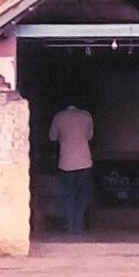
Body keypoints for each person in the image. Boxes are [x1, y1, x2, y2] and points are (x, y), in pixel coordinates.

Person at [49, 99, 97, 234]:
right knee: (82, 195)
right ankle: (79, 224)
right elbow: (89, 135)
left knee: (68, 195)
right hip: (84, 161)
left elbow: (52, 137)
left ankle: (70, 225)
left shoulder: (59, 116)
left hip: (66, 161)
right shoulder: (86, 115)